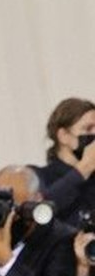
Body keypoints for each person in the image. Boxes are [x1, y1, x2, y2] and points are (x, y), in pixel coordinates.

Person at [34, 97, 95, 227]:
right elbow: (41, 210)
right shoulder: (40, 177)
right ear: (63, 136)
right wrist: (84, 168)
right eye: (88, 128)